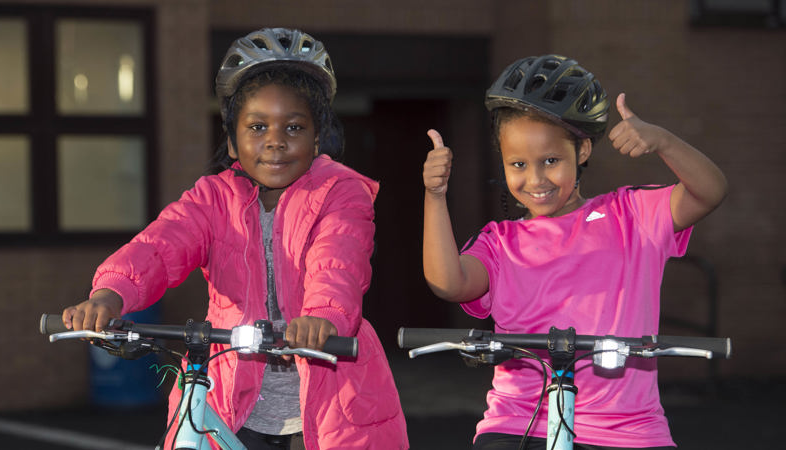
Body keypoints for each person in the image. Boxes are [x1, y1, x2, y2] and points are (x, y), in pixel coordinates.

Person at [62, 28, 408, 450]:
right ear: (232, 140)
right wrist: (109, 295)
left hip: (327, 404)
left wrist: (324, 317)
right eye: (258, 126)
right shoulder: (212, 198)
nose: (275, 141)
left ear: (317, 138)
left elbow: (338, 262)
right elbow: (159, 245)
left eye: (294, 127)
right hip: (229, 398)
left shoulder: (339, 192)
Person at [422, 54, 727, 449]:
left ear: (581, 151)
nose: (535, 179)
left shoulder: (632, 215)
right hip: (520, 423)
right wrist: (434, 196)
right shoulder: (500, 242)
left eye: (551, 161)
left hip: (628, 431)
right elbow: (449, 282)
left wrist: (663, 142)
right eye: (518, 164)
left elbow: (710, 191)